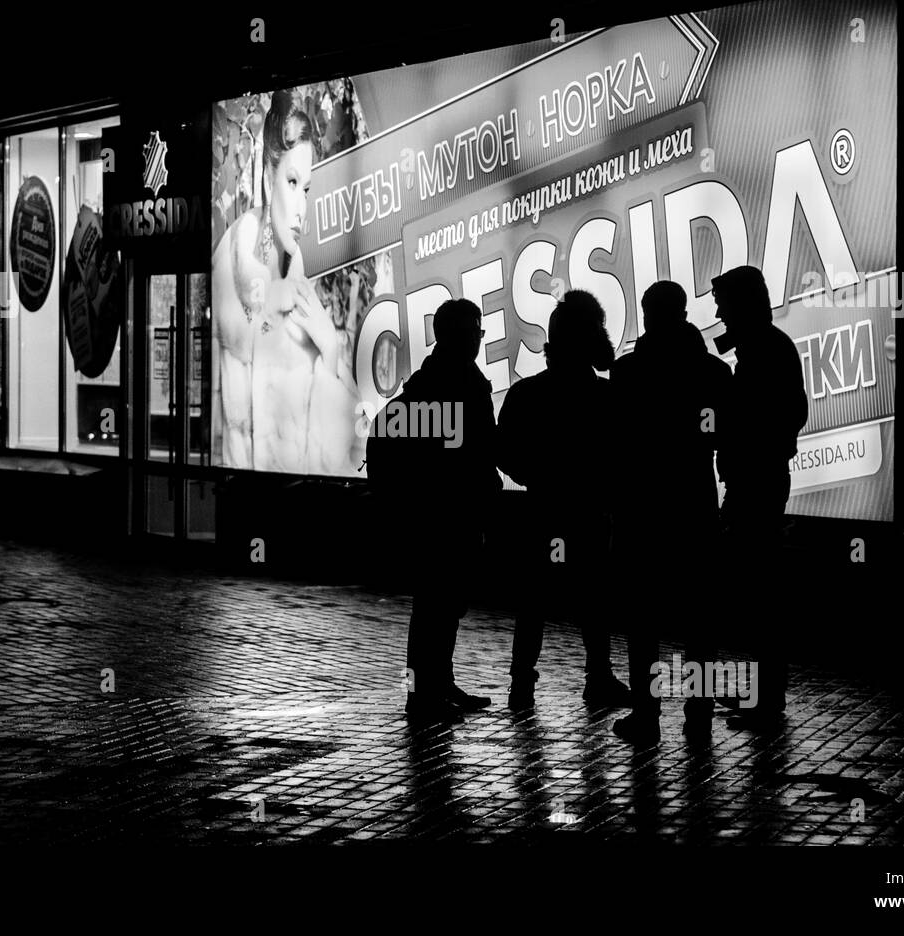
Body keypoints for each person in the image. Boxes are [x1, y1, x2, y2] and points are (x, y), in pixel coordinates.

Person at [211, 89, 361, 475]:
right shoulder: (235, 269)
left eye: (307, 189)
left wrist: (330, 350)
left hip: (297, 507)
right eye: (292, 183)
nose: (301, 208)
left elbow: (344, 454)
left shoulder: (298, 283)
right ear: (266, 178)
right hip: (249, 500)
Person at [365, 298, 500, 722]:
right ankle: (425, 695)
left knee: (435, 606)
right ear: (464, 337)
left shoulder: (424, 386)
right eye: (476, 333)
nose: (479, 341)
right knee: (438, 608)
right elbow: (482, 456)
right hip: (453, 516)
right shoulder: (467, 388)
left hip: (425, 516)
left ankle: (431, 687)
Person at [608, 281, 731, 741]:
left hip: (642, 510)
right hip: (694, 505)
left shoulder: (629, 373)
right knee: (700, 622)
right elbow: (725, 437)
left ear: (647, 314)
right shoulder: (715, 373)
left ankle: (647, 715)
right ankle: (698, 717)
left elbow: (615, 441)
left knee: (645, 622)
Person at [497, 290, 631, 710]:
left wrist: (536, 475)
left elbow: (504, 452)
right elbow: (624, 456)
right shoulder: (607, 398)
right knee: (594, 599)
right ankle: (598, 678)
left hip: (543, 510)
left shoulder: (525, 395)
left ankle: (522, 685)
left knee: (534, 600)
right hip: (590, 513)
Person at [710, 265, 808, 728]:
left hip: (756, 482)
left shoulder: (763, 351)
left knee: (759, 593)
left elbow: (781, 415)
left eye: (723, 303)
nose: (717, 312)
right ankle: (764, 696)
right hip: (758, 479)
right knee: (758, 591)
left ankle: (766, 701)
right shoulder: (766, 347)